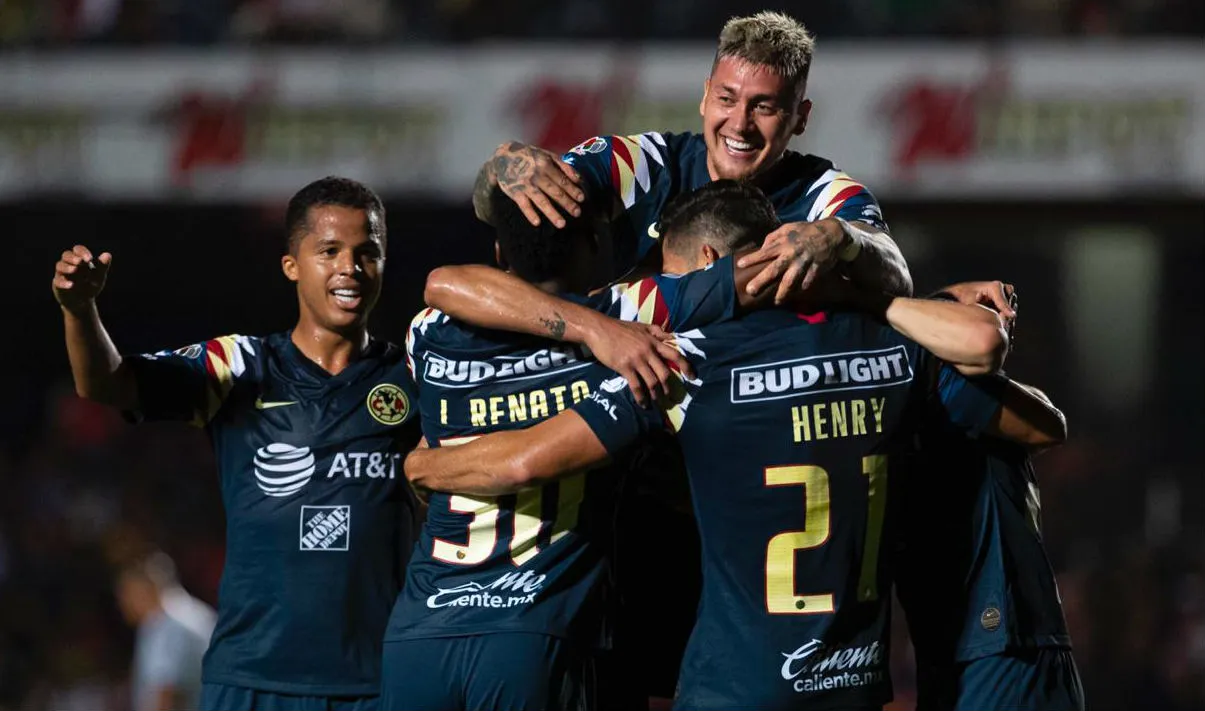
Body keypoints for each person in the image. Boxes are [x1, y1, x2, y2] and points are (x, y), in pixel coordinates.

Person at [404, 184, 1067, 711]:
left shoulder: (688, 360)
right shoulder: (893, 349)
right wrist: (884, 299)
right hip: (852, 685)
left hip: (736, 684)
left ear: (707, 266)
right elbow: (1040, 424)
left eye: (672, 277)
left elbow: (528, 458)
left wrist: (427, 464)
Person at [379, 185, 772, 711]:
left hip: (420, 629)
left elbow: (446, 285)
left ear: (499, 254)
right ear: (594, 244)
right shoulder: (629, 316)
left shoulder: (427, 334)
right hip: (536, 630)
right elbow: (757, 272)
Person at [52, 176, 422, 711]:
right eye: (329, 251)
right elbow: (107, 384)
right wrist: (79, 311)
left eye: (368, 252)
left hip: (376, 680)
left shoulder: (414, 377)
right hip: (251, 679)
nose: (350, 267)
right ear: (291, 265)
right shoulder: (241, 366)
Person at [471, 11, 934, 309]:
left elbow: (896, 272)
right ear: (704, 97)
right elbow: (512, 207)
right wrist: (500, 170)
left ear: (800, 117)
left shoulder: (826, 195)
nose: (740, 123)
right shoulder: (646, 162)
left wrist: (841, 237)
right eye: (727, 99)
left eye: (765, 106)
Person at [895, 297, 1084, 710]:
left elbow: (1050, 424)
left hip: (977, 645)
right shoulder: (943, 383)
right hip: (999, 649)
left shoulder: (896, 383)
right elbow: (1050, 425)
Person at [116, 551, 216, 711]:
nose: (122, 602)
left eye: (126, 592)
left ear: (143, 589)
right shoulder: (189, 612)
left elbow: (166, 693)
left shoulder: (171, 623)